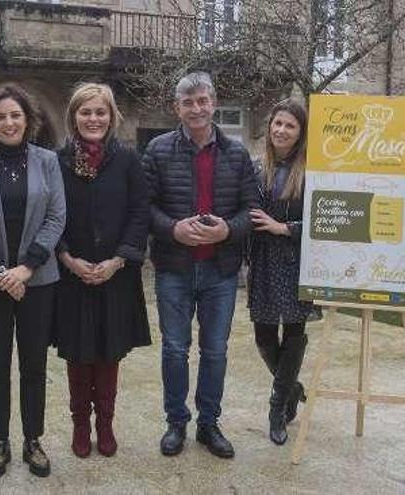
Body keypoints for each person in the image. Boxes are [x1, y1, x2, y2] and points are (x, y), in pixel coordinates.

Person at [142, 71, 258, 459]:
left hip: (220, 270)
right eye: (188, 102)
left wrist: (227, 230)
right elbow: (143, 208)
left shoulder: (237, 153)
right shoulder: (158, 150)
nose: (197, 108)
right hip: (174, 267)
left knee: (215, 351)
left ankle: (209, 424)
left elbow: (250, 210)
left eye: (203, 100)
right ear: (177, 107)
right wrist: (173, 229)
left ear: (214, 102)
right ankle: (176, 423)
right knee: (175, 349)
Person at [0, 84, 65, 479]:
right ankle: (0, 440)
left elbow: (57, 217)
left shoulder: (47, 162)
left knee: (34, 364)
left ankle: (32, 439)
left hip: (38, 281)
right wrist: (2, 271)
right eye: (1, 116)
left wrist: (26, 268)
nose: (9, 122)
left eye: (15, 115)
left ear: (28, 120)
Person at [54, 83, 151, 458]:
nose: (93, 119)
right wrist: (66, 258)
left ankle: (105, 425)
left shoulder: (127, 160)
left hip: (116, 275)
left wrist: (118, 260)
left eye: (100, 112)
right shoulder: (58, 160)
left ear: (111, 118)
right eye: (86, 112)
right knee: (78, 356)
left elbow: (139, 213)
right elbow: (50, 215)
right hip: (72, 274)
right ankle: (80, 425)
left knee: (109, 355)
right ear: (73, 116)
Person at [247, 98, 311, 446]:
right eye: (277, 123)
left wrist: (283, 227)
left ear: (300, 132)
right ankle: (292, 388)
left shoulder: (311, 170)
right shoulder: (258, 168)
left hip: (296, 259)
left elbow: (323, 221)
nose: (281, 130)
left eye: (290, 125)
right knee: (264, 337)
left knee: (294, 334)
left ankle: (277, 408)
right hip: (264, 262)